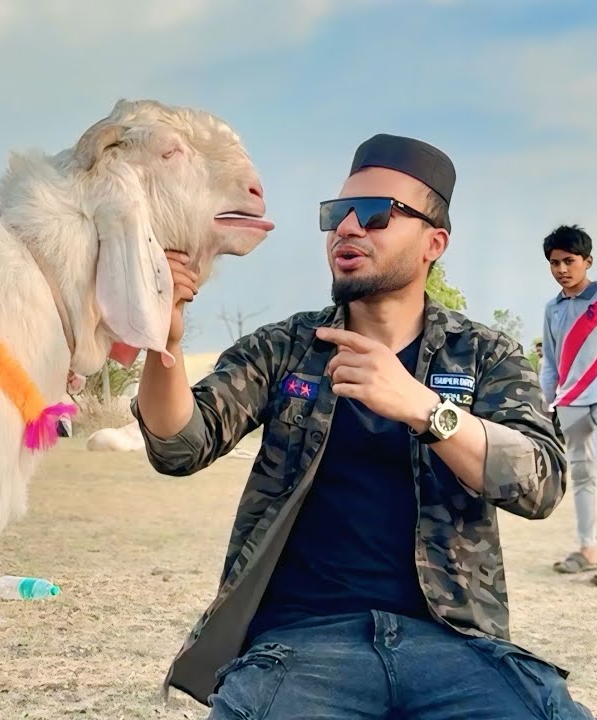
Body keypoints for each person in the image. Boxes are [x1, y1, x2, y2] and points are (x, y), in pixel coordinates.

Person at [132, 133, 592, 718]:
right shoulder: (287, 348)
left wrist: (426, 409)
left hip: (456, 646)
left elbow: (542, 481)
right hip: (302, 645)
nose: (348, 228)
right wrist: (165, 343)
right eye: (337, 213)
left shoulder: (483, 355)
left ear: (433, 243)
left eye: (376, 214)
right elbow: (180, 445)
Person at [540, 224, 597, 581]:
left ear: (587, 261)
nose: (561, 269)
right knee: (582, 474)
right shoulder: (553, 309)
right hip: (571, 401)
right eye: (554, 262)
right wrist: (547, 404)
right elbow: (550, 361)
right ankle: (588, 548)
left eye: (569, 261)